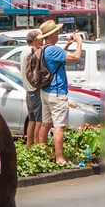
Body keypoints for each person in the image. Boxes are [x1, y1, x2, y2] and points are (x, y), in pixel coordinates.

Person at [37, 20, 83, 165]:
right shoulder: (53, 50)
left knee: (45, 125)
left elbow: (58, 57)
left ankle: (42, 156)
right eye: (56, 31)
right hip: (57, 92)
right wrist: (79, 43)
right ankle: (59, 158)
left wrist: (68, 44)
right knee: (59, 127)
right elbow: (76, 57)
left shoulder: (45, 49)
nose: (58, 34)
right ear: (51, 35)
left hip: (45, 91)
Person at [19, 29, 43, 147]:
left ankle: (29, 147)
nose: (42, 41)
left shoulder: (23, 51)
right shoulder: (33, 51)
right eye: (41, 39)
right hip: (35, 89)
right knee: (39, 120)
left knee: (32, 120)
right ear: (35, 40)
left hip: (28, 91)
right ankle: (38, 146)